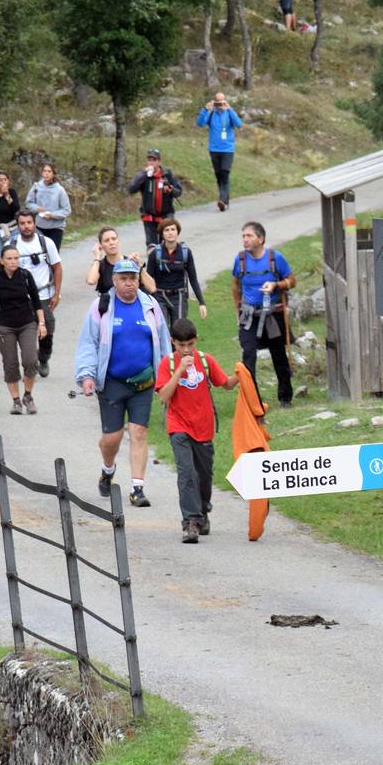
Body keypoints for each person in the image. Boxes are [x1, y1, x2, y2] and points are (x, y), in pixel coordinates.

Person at [74, 259, 170, 508]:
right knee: (112, 438)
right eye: (123, 279)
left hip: (143, 382)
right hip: (112, 382)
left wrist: (167, 376)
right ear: (114, 281)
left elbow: (163, 342)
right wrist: (87, 376)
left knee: (139, 432)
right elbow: (88, 343)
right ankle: (108, 469)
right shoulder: (102, 306)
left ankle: (137, 488)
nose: (129, 283)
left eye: (133, 278)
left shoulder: (150, 306)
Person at [155, 318, 237, 543]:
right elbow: (163, 396)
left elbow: (226, 384)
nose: (186, 350)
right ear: (173, 343)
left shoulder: (206, 360)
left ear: (196, 340)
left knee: (204, 475)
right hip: (179, 426)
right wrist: (180, 370)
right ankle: (190, 522)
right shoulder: (168, 364)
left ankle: (202, 512)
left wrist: (241, 373)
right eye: (181, 345)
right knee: (187, 474)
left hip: (203, 427)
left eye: (190, 344)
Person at [231, 221, 295, 407]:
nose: (245, 239)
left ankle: (285, 398)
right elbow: (235, 284)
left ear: (261, 239)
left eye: (249, 236)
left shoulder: (276, 258)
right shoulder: (240, 260)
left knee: (279, 356)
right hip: (248, 316)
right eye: (243, 236)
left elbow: (292, 280)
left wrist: (276, 285)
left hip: (272, 315)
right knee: (248, 356)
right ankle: (253, 402)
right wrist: (238, 309)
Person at [0, 245, 47, 415]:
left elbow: (36, 301)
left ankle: (28, 395)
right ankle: (16, 401)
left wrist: (41, 323)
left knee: (30, 360)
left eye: (16, 258)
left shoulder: (25, 276)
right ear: (1, 261)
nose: (13, 261)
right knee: (10, 364)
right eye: (9, 258)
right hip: (5, 327)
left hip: (27, 324)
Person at [8, 210, 63, 379]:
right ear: (18, 225)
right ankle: (29, 364)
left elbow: (57, 267)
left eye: (29, 223)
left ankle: (43, 358)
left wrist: (56, 293)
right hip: (21, 298)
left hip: (43, 294)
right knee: (25, 331)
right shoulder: (12, 245)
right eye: (22, 223)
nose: (26, 227)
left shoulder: (46, 243)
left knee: (48, 330)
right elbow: (6, 271)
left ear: (35, 224)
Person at [146, 217, 206, 329]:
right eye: (167, 230)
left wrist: (201, 303)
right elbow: (148, 279)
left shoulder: (185, 253)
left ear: (177, 232)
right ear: (162, 234)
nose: (170, 233)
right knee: (161, 329)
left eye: (173, 229)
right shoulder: (155, 254)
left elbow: (193, 279)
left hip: (179, 296)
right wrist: (146, 302)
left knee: (178, 330)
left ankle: (176, 347)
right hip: (159, 296)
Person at [196, 93, 244, 211]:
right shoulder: (211, 113)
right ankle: (224, 202)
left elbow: (239, 124)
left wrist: (230, 109)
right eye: (217, 102)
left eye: (221, 101)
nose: (219, 104)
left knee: (225, 172)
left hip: (227, 149)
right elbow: (200, 123)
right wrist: (205, 109)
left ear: (225, 101)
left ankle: (222, 200)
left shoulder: (229, 113)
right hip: (214, 149)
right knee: (219, 176)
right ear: (214, 102)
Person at [127, 148, 183, 248]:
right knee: (152, 247)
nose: (151, 162)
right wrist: (144, 174)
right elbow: (131, 189)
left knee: (167, 245)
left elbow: (178, 191)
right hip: (149, 217)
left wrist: (171, 189)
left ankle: (167, 263)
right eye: (149, 160)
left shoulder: (167, 174)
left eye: (154, 160)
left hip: (166, 216)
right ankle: (153, 262)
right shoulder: (144, 175)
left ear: (159, 161)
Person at [86, 226, 154, 295]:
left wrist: (139, 265)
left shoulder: (131, 262)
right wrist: (97, 257)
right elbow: (91, 281)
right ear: (101, 245)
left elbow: (152, 288)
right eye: (107, 240)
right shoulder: (100, 265)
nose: (111, 243)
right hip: (110, 304)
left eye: (114, 239)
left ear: (118, 241)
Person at [23, 162, 71, 249]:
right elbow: (28, 203)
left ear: (53, 174)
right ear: (42, 173)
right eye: (44, 171)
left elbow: (66, 210)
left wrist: (52, 215)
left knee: (52, 256)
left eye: (49, 171)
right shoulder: (36, 187)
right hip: (39, 226)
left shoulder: (59, 190)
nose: (46, 173)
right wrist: (37, 208)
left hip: (56, 227)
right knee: (40, 254)